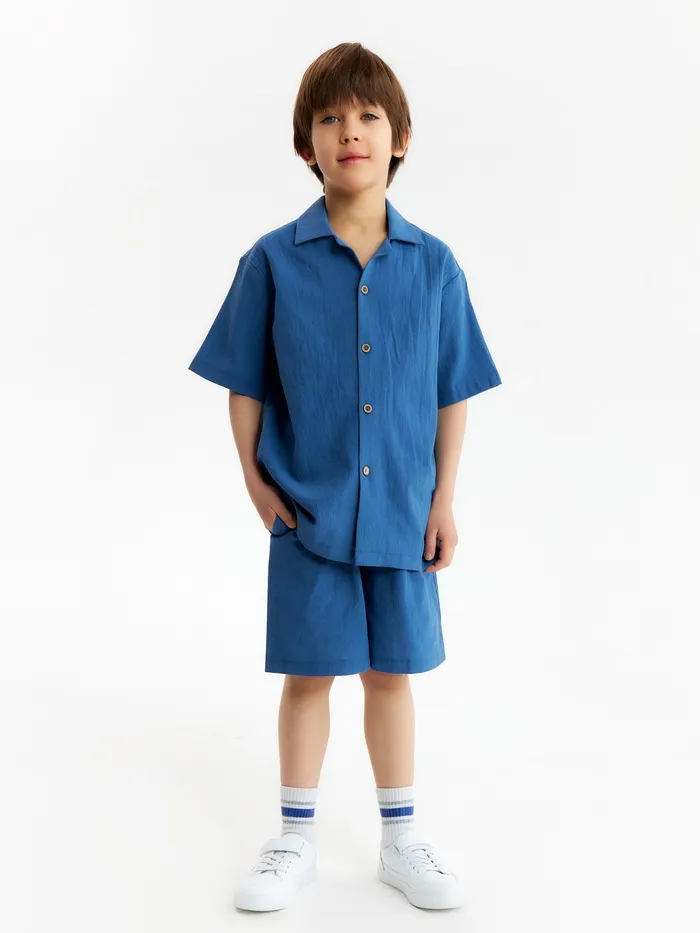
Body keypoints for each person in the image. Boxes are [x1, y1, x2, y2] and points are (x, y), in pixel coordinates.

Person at [188, 41, 502, 912]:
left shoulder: (435, 265)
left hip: (402, 508)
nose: (350, 131)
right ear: (307, 145)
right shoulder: (272, 260)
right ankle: (294, 837)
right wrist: (256, 483)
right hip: (308, 508)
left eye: (368, 116)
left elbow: (451, 391)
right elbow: (245, 382)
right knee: (309, 673)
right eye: (330, 118)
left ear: (401, 138)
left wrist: (443, 498)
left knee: (391, 674)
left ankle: (402, 838)